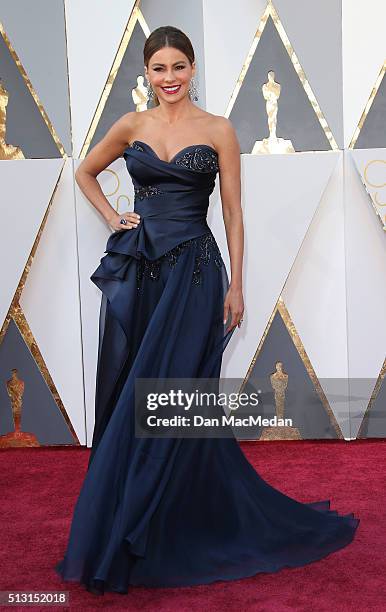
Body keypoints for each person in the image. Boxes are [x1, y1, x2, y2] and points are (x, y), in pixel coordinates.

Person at [55, 25, 359, 595]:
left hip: (195, 274)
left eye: (178, 67)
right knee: (134, 393)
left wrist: (237, 286)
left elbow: (235, 215)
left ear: (193, 70)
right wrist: (114, 218)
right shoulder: (132, 125)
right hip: (143, 272)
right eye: (158, 69)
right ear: (146, 74)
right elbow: (85, 171)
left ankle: (169, 520)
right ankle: (133, 523)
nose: (168, 78)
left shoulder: (219, 130)